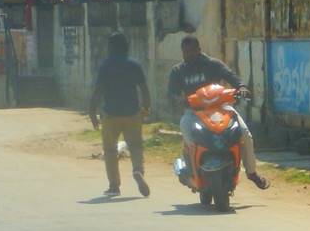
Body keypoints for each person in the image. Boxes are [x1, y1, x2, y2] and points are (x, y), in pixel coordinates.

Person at [166, 36, 270, 189]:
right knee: (188, 135)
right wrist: (178, 100)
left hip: (221, 108)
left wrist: (241, 87)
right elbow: (172, 93)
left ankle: (252, 172)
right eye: (185, 52)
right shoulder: (178, 71)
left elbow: (231, 77)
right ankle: (192, 172)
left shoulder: (213, 64)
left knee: (245, 133)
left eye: (192, 51)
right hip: (193, 112)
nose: (189, 54)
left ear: (199, 50)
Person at [88, 31, 151, 197]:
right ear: (126, 47)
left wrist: (92, 111)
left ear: (110, 47)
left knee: (110, 150)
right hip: (132, 113)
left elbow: (98, 91)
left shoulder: (105, 66)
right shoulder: (134, 65)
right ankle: (138, 171)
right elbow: (144, 89)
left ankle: (114, 186)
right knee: (136, 146)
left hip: (111, 114)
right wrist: (146, 108)